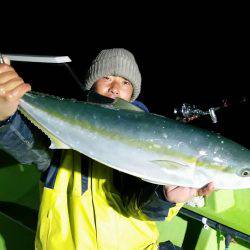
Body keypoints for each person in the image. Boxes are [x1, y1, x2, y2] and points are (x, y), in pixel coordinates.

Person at [0, 48, 214, 250]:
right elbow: (27, 146)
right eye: (107, 77)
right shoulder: (65, 130)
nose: (115, 87)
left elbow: (139, 207)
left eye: (125, 82)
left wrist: (165, 197)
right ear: (91, 84)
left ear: (132, 95)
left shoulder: (148, 142)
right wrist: (4, 115)